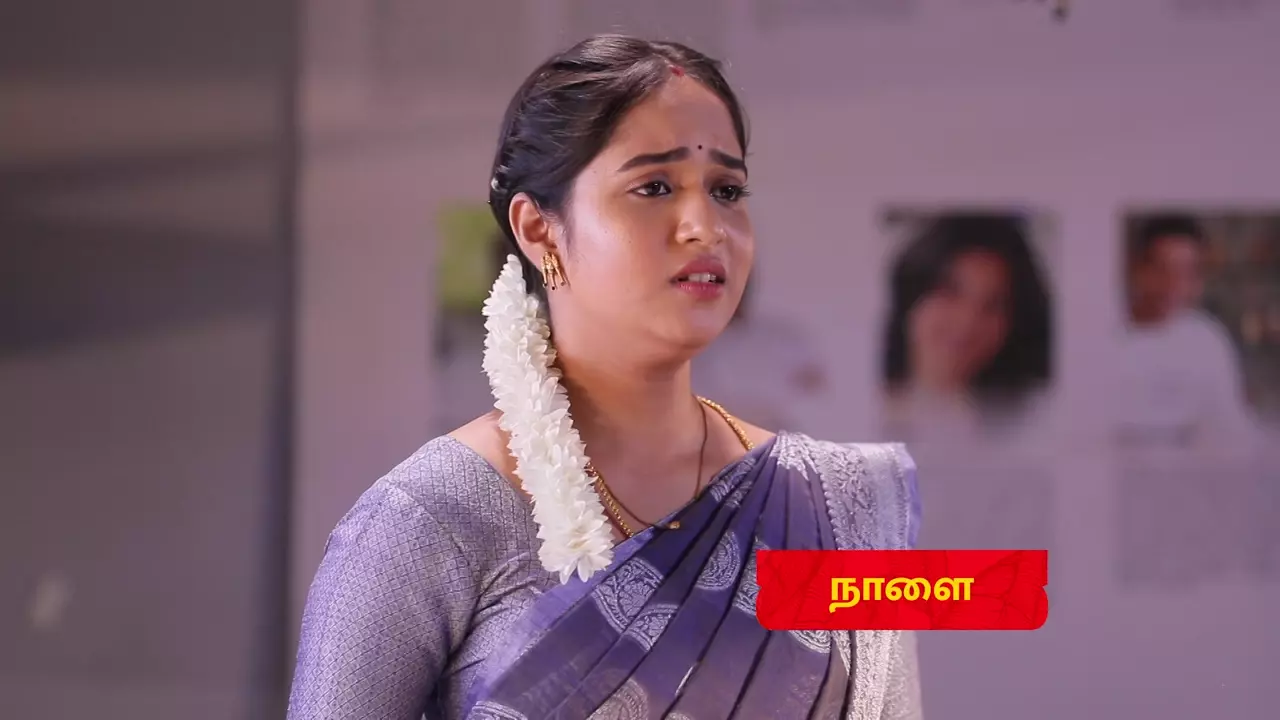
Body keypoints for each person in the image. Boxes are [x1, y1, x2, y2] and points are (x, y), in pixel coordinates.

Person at [288, 35, 921, 720]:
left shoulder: (837, 505)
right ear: (539, 230)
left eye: (727, 190)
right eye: (654, 187)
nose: (705, 227)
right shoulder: (433, 518)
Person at [880, 213, 1053, 441]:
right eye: (951, 291)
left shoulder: (1032, 422)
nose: (968, 321)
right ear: (912, 296)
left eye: (993, 305)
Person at [1116, 214, 1257, 450]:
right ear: (1136, 268)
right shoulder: (1097, 332)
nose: (1174, 285)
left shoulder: (1208, 338)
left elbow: (1232, 426)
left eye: (1187, 273)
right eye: (1162, 270)